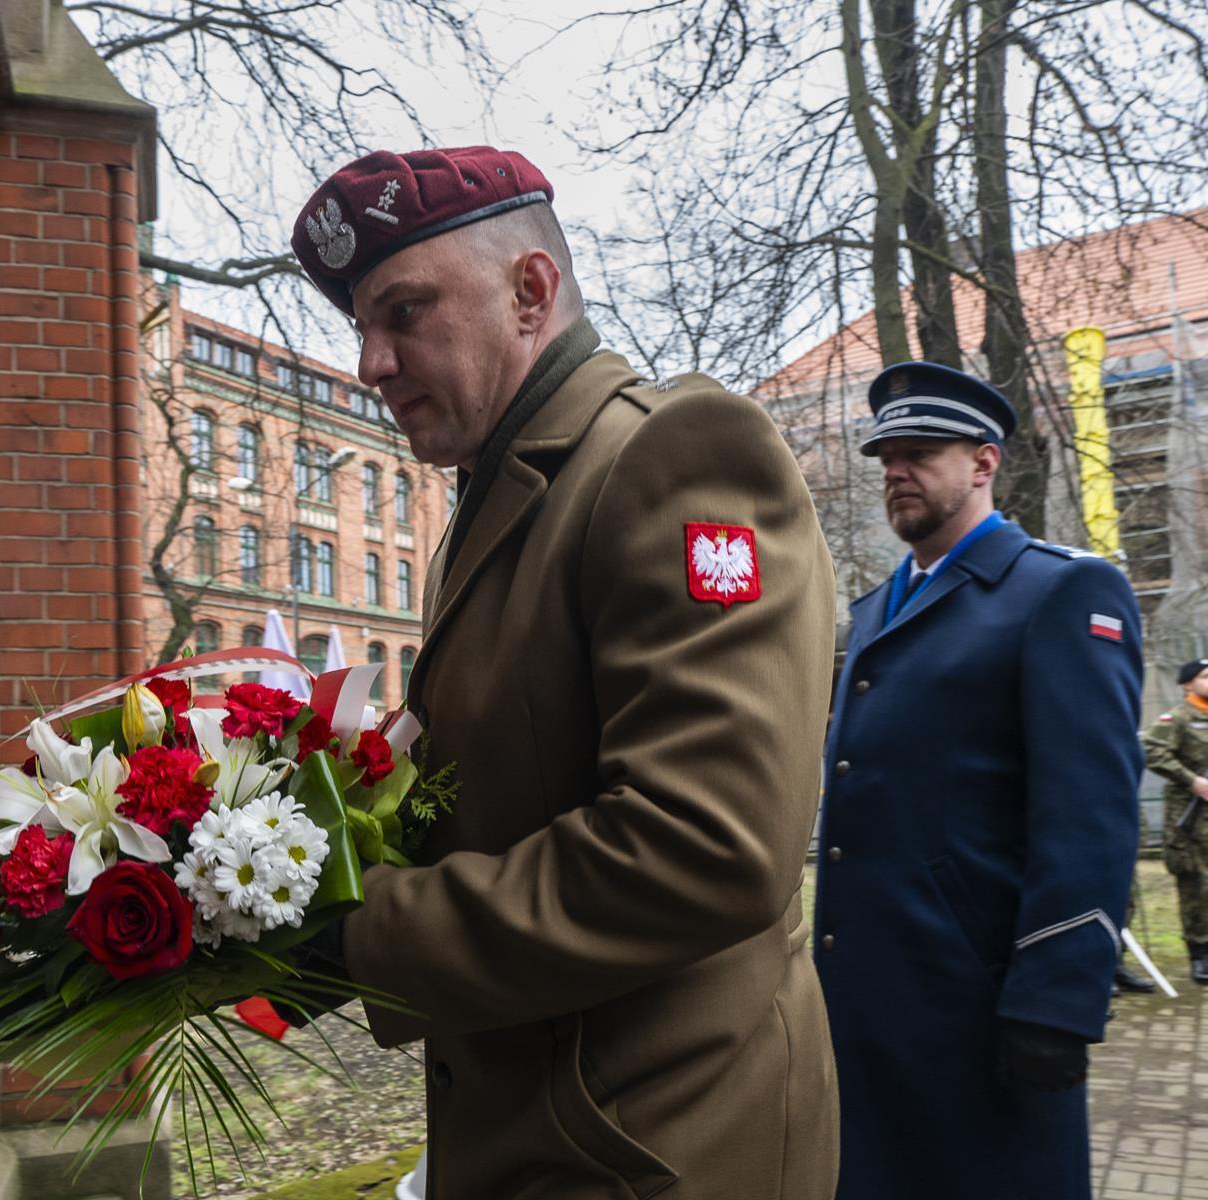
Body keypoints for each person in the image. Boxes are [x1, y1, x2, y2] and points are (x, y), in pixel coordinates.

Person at [289, 146, 838, 1198]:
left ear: (530, 290)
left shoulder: (673, 454)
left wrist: (353, 931)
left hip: (658, 1144)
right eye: (360, 327)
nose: (370, 362)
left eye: (402, 313)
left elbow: (703, 846)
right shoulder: (487, 506)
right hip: (545, 1130)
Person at [814, 362, 1145, 1200]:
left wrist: (1055, 1002)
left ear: (984, 461)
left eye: (919, 450)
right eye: (885, 454)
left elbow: (1089, 812)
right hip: (865, 996)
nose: (896, 469)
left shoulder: (1059, 590)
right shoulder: (866, 615)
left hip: (983, 1003)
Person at [1140, 658, 1208, 985]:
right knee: (1195, 885)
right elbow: (1153, 751)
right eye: (1205, 676)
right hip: (1191, 817)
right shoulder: (1177, 718)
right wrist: (1192, 780)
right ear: (1186, 685)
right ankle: (1200, 955)